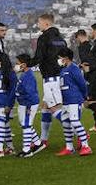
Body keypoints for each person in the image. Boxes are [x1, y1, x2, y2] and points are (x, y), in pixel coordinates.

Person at [28, 12, 67, 143]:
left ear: (46, 23)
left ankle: (79, 133)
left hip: (50, 78)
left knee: (53, 108)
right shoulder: (61, 39)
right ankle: (44, 139)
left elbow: (38, 58)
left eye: (39, 22)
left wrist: (25, 64)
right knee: (45, 107)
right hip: (59, 76)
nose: (38, 25)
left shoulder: (44, 38)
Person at [56, 48, 93, 157]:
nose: (58, 60)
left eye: (59, 58)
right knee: (66, 122)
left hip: (74, 99)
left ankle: (86, 146)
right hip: (66, 101)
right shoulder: (63, 70)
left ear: (66, 58)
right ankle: (69, 147)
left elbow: (82, 83)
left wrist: (85, 96)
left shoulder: (74, 68)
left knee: (75, 121)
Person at [13, 54, 45, 157]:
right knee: (25, 124)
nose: (16, 65)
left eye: (17, 63)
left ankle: (27, 150)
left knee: (26, 125)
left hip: (28, 104)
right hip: (25, 103)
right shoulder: (24, 75)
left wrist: (28, 106)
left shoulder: (28, 76)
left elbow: (30, 92)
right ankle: (38, 144)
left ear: (24, 64)